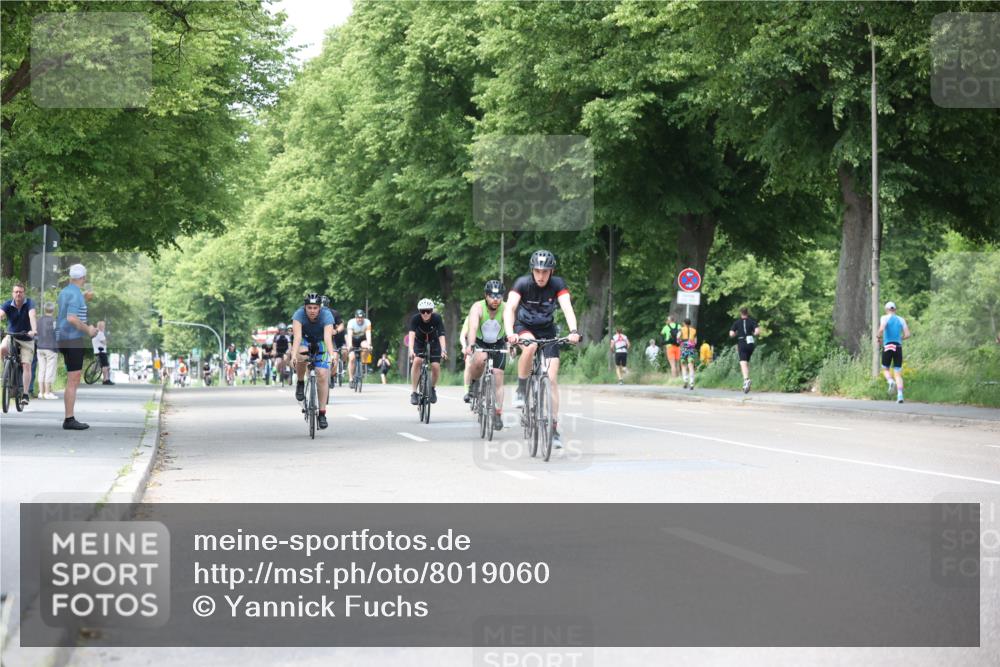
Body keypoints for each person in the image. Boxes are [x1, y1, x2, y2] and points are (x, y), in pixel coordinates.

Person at [504, 249, 581, 449]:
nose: (541, 276)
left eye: (545, 272)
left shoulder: (558, 284)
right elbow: (510, 308)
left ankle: (554, 427)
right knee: (530, 347)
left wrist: (573, 331)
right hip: (524, 327)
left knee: (552, 379)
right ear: (532, 270)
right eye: (537, 271)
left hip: (548, 330)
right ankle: (521, 389)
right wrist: (509, 332)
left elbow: (567, 308)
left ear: (551, 272)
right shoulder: (522, 283)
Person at [56, 264, 98, 429]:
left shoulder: (65, 292)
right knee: (73, 379)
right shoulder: (76, 295)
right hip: (72, 339)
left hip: (62, 338)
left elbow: (68, 308)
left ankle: (69, 417)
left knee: (71, 378)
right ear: (84, 278)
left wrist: (83, 298)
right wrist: (89, 330)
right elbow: (72, 318)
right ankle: (69, 419)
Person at [464, 280, 509, 431]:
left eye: (499, 296)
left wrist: (512, 343)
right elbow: (473, 327)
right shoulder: (477, 307)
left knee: (498, 375)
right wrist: (471, 344)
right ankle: (475, 382)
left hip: (498, 343)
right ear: (486, 296)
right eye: (491, 296)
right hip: (480, 342)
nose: (495, 299)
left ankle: (497, 414)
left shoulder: (506, 307)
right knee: (480, 359)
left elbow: (510, 326)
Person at [291, 293, 336, 429]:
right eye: (309, 307)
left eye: (315, 308)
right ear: (305, 307)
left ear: (319, 308)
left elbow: (328, 338)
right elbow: (297, 337)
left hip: (321, 341)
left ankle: (322, 413)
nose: (312, 311)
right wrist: (293, 355)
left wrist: (332, 354)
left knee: (322, 374)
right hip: (305, 340)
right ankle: (300, 382)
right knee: (301, 355)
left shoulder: (327, 315)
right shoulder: (298, 315)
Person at [1, 281, 38, 406]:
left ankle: (25, 394)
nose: (18, 294)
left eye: (20, 292)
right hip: (12, 336)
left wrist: (33, 330)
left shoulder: (29, 303)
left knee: (26, 364)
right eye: (16, 292)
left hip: (26, 338)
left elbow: (32, 315)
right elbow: (1, 314)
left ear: (24, 293)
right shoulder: (7, 304)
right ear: (13, 293)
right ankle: (6, 372)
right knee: (2, 348)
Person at [409, 298, 447, 405]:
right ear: (419, 311)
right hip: (419, 342)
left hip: (434, 341)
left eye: (428, 311)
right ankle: (414, 393)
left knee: (435, 365)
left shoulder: (437, 318)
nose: (425, 314)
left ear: (432, 311)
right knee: (417, 361)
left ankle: (432, 389)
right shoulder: (415, 319)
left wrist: (443, 350)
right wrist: (411, 350)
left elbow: (441, 335)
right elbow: (411, 335)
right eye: (422, 311)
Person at [878, 301, 911, 404]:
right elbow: (907, 334)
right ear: (895, 309)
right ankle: (900, 395)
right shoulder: (901, 320)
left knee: (885, 368)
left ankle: (890, 381)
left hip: (888, 346)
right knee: (897, 373)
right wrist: (899, 338)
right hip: (898, 346)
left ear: (887, 310)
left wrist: (878, 338)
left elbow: (882, 328)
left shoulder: (884, 317)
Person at [729, 307, 760, 393]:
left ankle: (746, 380)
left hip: (742, 342)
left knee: (743, 362)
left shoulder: (737, 322)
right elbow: (757, 331)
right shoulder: (752, 321)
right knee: (746, 362)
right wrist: (753, 333)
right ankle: (746, 381)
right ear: (748, 313)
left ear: (740, 313)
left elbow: (731, 334)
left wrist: (736, 333)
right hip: (750, 343)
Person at [36, 302, 59, 399]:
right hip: (51, 347)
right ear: (53, 310)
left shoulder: (38, 320)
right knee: (50, 369)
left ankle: (41, 392)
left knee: (41, 369)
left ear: (45, 309)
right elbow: (58, 335)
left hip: (40, 347)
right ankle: (47, 392)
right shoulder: (54, 321)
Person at [347, 309, 372, 388]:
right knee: (352, 358)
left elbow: (368, 334)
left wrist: (369, 345)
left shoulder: (367, 322)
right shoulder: (351, 322)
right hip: (352, 340)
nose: (360, 319)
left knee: (366, 347)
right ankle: (351, 379)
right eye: (358, 318)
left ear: (364, 318)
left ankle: (363, 363)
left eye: (361, 318)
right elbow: (350, 336)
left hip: (361, 339)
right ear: (355, 317)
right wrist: (350, 346)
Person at [91, 320, 114, 385]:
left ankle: (105, 379)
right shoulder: (100, 333)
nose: (104, 327)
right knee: (105, 366)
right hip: (101, 352)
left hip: (96, 351)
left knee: (105, 366)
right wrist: (107, 341)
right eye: (104, 326)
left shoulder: (94, 333)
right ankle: (106, 380)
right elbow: (104, 342)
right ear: (101, 326)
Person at [678, 317, 698, 390]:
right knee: (691, 365)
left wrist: (680, 342)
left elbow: (677, 338)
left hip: (684, 349)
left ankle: (685, 381)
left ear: (684, 323)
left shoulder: (681, 329)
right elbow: (695, 341)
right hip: (691, 349)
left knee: (683, 364)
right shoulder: (694, 330)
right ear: (690, 323)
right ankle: (691, 383)